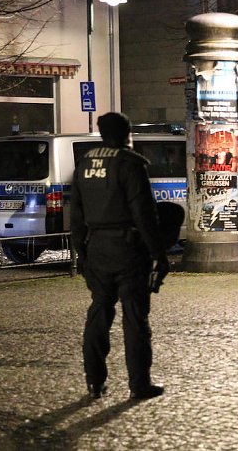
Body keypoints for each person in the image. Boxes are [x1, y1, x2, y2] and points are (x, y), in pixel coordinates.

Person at [71, 112, 169, 400]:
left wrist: (83, 253)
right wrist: (158, 254)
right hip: (129, 251)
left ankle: (94, 382)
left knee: (99, 313)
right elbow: (144, 213)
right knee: (135, 319)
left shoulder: (84, 164)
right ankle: (139, 384)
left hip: (97, 249)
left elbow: (75, 214)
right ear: (126, 133)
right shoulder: (129, 164)